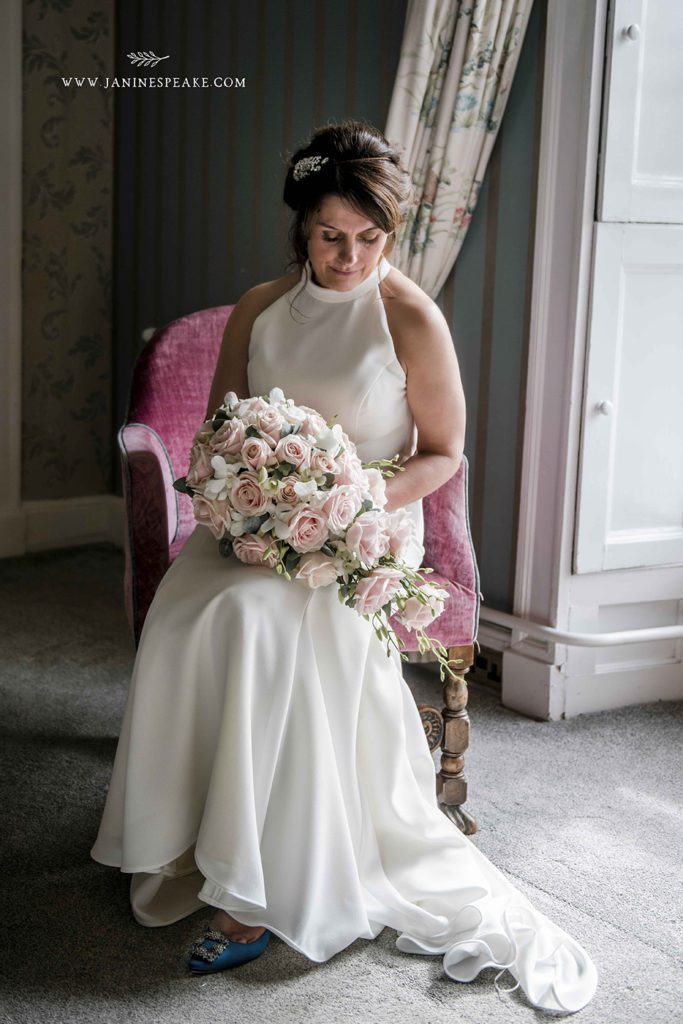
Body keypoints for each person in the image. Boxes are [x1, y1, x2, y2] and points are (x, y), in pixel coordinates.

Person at [91, 119, 598, 1012]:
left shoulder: (409, 315)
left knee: (254, 621)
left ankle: (253, 891)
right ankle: (184, 838)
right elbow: (218, 432)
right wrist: (243, 485)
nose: (349, 256)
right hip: (261, 521)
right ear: (300, 229)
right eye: (330, 236)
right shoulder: (258, 306)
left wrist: (347, 503)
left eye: (370, 239)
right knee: (192, 605)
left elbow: (440, 452)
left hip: (363, 524)